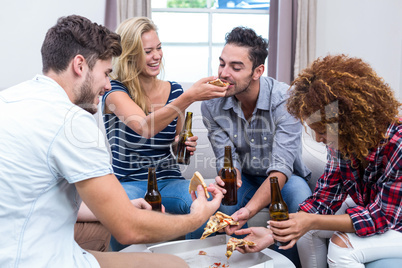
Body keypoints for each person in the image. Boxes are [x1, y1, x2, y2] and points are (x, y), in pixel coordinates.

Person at [0, 15, 223, 268]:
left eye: (158, 48)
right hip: (40, 259)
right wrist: (195, 219)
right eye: (105, 73)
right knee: (175, 264)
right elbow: (127, 227)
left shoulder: (10, 100)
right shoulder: (72, 119)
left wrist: (124, 205)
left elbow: (43, 196)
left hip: (27, 249)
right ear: (79, 65)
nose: (107, 84)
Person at [236, 54, 402, 268]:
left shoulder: (397, 144)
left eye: (322, 131)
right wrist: (273, 233)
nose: (318, 139)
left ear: (349, 122)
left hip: (394, 219)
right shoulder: (344, 141)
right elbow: (324, 198)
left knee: (340, 248)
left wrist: (311, 221)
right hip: (374, 207)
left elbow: (381, 216)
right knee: (306, 230)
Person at [101, 17, 227, 250]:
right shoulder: (113, 91)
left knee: (205, 202)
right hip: (130, 182)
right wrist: (190, 97)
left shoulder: (174, 90)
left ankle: (197, 263)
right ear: (130, 55)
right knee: (126, 217)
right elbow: (143, 126)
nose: (157, 55)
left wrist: (182, 144)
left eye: (158, 48)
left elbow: (174, 141)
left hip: (169, 179)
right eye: (148, 51)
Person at [201, 26, 312, 267]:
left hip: (285, 178)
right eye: (222, 64)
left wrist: (248, 211)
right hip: (246, 177)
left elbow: (281, 169)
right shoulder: (211, 105)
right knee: (211, 209)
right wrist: (231, 181)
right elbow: (226, 159)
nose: (224, 73)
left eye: (235, 67)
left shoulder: (286, 99)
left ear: (257, 71)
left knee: (301, 201)